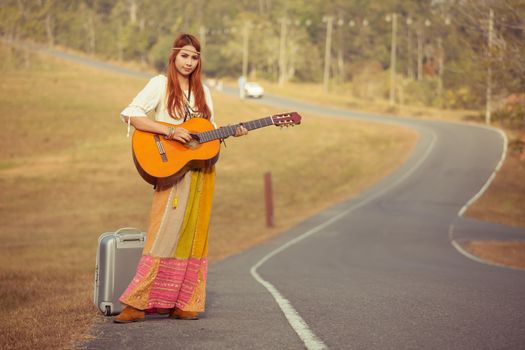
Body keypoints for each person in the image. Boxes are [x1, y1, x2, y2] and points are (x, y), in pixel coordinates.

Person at [114, 33, 248, 323]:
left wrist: (232, 130)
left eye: (194, 57)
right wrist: (169, 131)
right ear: (174, 56)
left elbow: (207, 130)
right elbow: (131, 114)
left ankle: (183, 301)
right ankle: (137, 303)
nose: (189, 62)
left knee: (194, 236)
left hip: (202, 170)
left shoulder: (204, 91)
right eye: (184, 55)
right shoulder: (160, 84)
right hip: (171, 168)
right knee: (164, 232)